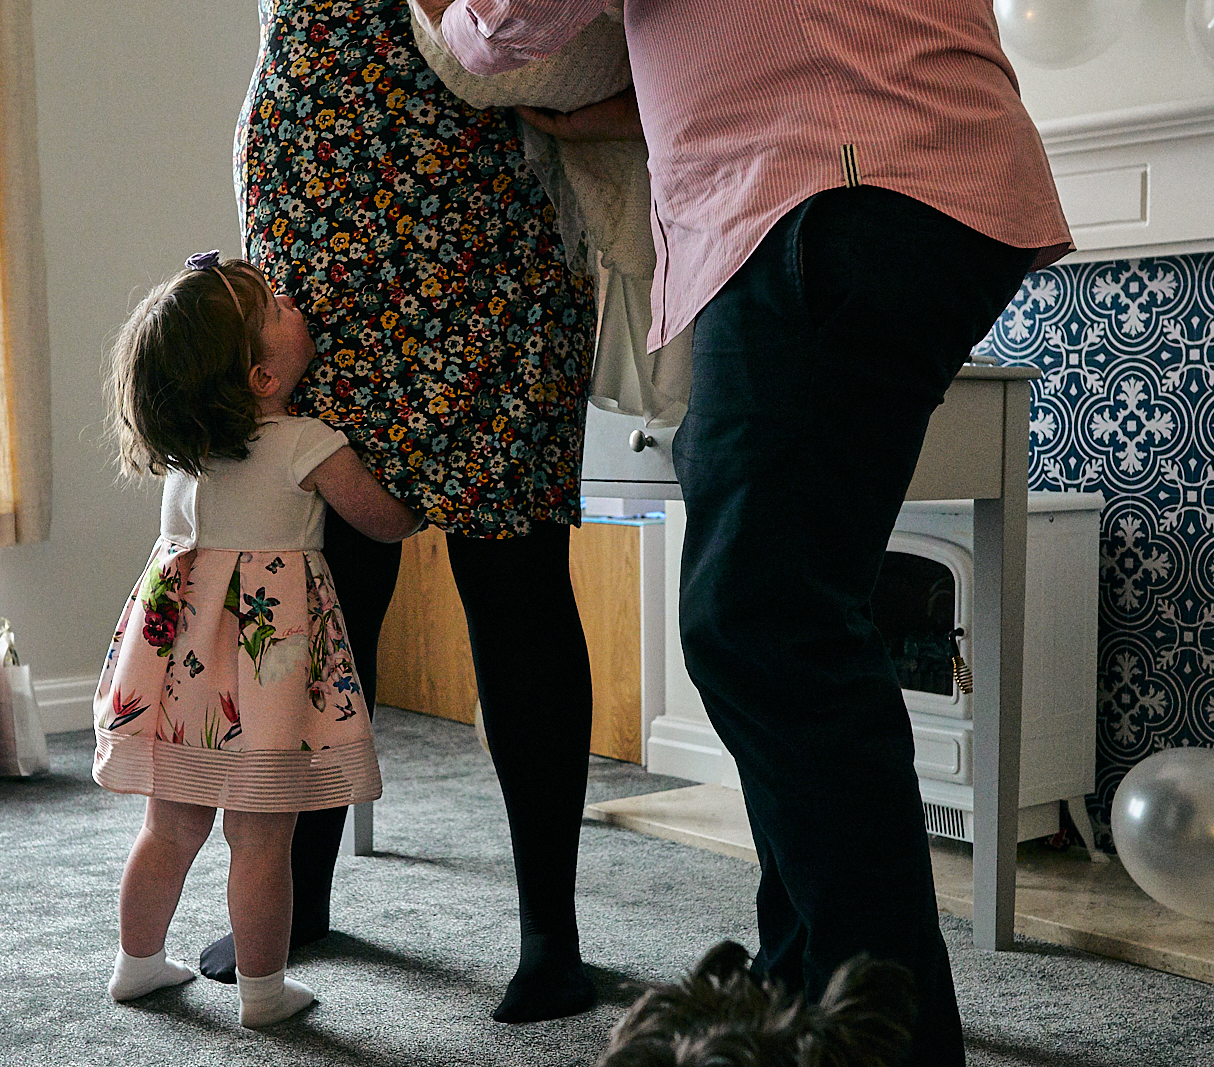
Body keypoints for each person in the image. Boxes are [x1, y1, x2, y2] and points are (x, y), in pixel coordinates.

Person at [418, 1, 1072, 1064]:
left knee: (755, 621)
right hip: (895, 171)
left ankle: (885, 1036)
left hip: (833, 179)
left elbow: (499, 24)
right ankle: (804, 1001)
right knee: (793, 618)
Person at [197, 0, 603, 1025]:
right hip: (316, 287)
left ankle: (551, 934)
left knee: (515, 589)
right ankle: (303, 891)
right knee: (321, 601)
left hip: (481, 256)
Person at [93, 252, 420, 1028]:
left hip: (177, 672)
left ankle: (136, 964)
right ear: (263, 380)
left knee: (167, 827)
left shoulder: (185, 457)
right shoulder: (305, 442)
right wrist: (425, 498)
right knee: (261, 839)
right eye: (276, 305)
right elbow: (384, 519)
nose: (292, 300)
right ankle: (264, 993)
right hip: (265, 674)